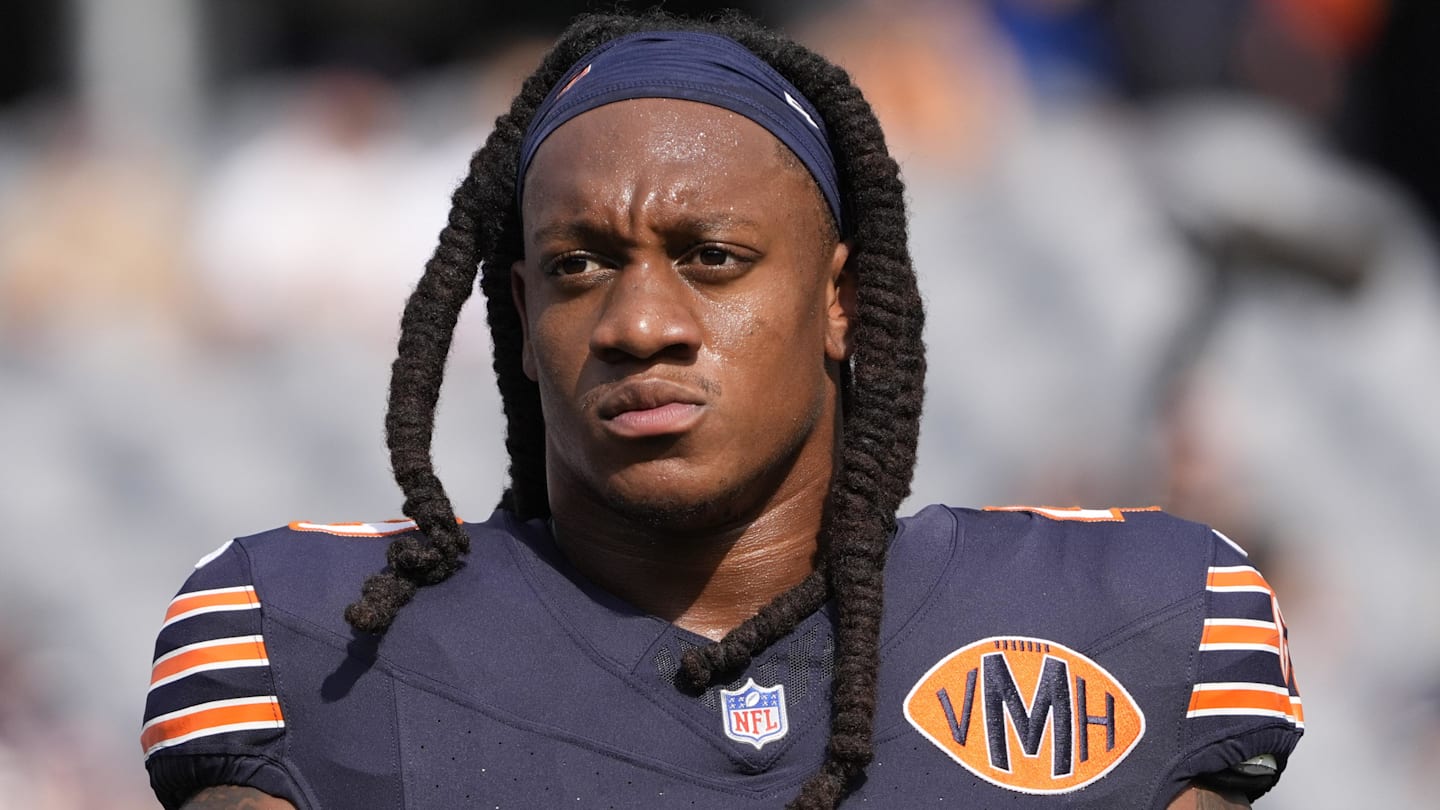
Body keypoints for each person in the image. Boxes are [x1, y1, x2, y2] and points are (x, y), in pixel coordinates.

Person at [139, 10, 1302, 809]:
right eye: (581, 266)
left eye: (713, 257)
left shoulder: (1130, 625)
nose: (643, 322)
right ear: (520, 312)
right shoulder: (315, 646)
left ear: (842, 301)